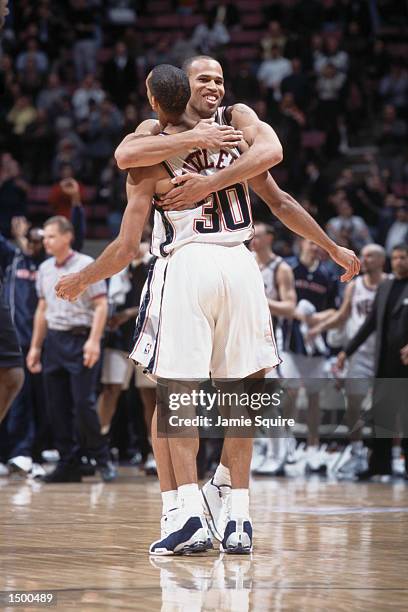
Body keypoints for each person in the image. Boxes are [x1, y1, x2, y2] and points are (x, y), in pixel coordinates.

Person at [56, 59, 360, 554]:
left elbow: (125, 210)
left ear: (155, 99)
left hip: (196, 264)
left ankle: (194, 512)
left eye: (220, 79)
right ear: (185, 91)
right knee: (238, 398)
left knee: (180, 399)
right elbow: (277, 195)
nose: (215, 86)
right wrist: (329, 245)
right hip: (238, 263)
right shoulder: (225, 142)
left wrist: (82, 278)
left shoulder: (186, 144)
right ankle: (233, 515)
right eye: (205, 79)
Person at [27, 216, 116, 483]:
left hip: (80, 339)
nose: (46, 241)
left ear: (68, 237)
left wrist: (94, 341)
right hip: (54, 340)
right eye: (44, 237)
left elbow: (101, 305)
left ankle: (102, 458)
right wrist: (35, 347)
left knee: (83, 404)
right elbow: (42, 309)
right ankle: (69, 462)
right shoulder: (43, 268)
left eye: (51, 236)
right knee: (56, 407)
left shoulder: (85, 265)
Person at [309, 244, 388, 478]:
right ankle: (357, 452)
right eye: (363, 255)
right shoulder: (354, 286)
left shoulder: (391, 283)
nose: (365, 259)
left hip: (385, 352)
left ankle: (394, 456)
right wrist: (322, 326)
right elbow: (343, 315)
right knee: (353, 404)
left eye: (370, 255)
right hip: (359, 353)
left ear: (382, 260)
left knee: (390, 407)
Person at [337, 244, 408, 480]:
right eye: (396, 257)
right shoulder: (386, 286)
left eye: (404, 258)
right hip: (385, 361)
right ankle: (379, 467)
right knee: (383, 416)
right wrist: (346, 351)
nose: (399, 261)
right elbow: (370, 324)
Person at [249, 222, 297, 476]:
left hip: (272, 336)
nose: (253, 238)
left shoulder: (282, 267)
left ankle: (279, 453)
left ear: (270, 238)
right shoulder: (244, 261)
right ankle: (262, 449)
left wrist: (262, 301)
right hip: (245, 334)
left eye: (258, 234)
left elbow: (290, 307)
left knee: (267, 400)